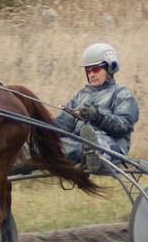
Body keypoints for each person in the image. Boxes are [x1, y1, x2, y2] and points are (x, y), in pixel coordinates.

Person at [52, 43, 140, 173]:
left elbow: (124, 125)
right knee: (49, 144)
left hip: (111, 147)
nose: (91, 74)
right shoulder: (80, 96)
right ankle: (18, 161)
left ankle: (94, 155)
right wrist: (38, 126)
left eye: (96, 69)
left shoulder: (122, 94)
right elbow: (62, 125)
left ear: (110, 68)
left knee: (93, 141)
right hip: (78, 144)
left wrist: (97, 116)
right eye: (88, 70)